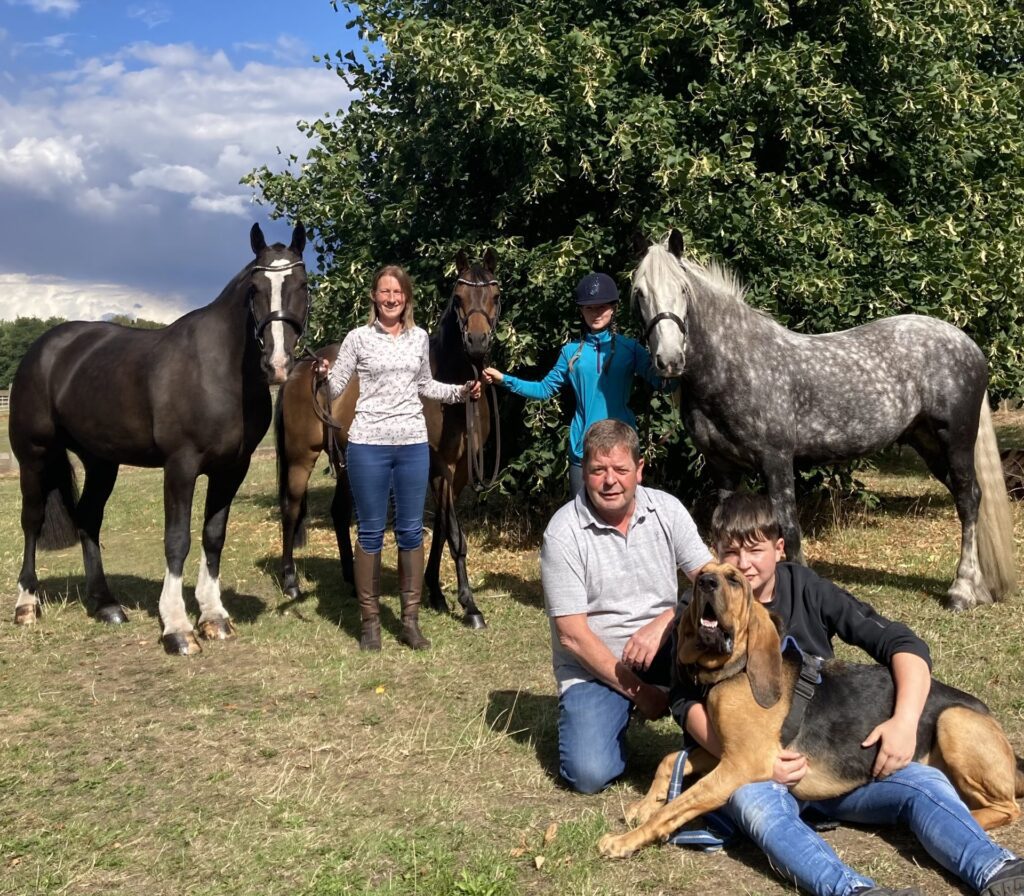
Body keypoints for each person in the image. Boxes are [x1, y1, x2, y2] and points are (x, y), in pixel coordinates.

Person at [670, 492, 1024, 896]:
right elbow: (683, 701)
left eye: (755, 549)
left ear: (779, 549)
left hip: (853, 773)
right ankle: (853, 892)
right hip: (762, 777)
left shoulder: (809, 589)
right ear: (715, 553)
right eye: (730, 552)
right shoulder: (699, 605)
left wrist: (905, 724)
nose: (743, 563)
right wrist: (750, 760)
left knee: (926, 783)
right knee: (756, 807)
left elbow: (903, 644)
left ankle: (998, 869)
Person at [539, 418, 712, 794]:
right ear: (584, 473)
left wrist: (667, 619)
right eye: (598, 470)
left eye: (620, 469)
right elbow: (572, 637)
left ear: (639, 470)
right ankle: (613, 718)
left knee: (724, 653)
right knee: (588, 774)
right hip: (595, 665)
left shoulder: (667, 510)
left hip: (669, 646)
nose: (610, 480)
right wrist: (643, 694)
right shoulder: (563, 533)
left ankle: (720, 736)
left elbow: (710, 580)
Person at [315, 264, 480, 652]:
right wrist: (322, 374)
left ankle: (410, 621)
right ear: (374, 296)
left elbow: (425, 384)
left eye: (397, 292)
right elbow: (337, 386)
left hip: (411, 446)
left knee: (410, 531)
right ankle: (371, 623)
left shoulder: (419, 338)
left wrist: (461, 392)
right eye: (384, 291)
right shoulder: (357, 338)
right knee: (371, 532)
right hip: (368, 445)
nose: (391, 298)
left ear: (406, 298)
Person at [483, 271, 666, 495]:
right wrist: (504, 379)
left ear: (614, 308)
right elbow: (543, 389)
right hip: (583, 450)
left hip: (623, 450)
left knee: (626, 519)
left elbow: (665, 384)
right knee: (581, 519)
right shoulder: (570, 352)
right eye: (589, 307)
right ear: (581, 310)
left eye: (602, 306)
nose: (596, 313)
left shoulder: (631, 349)